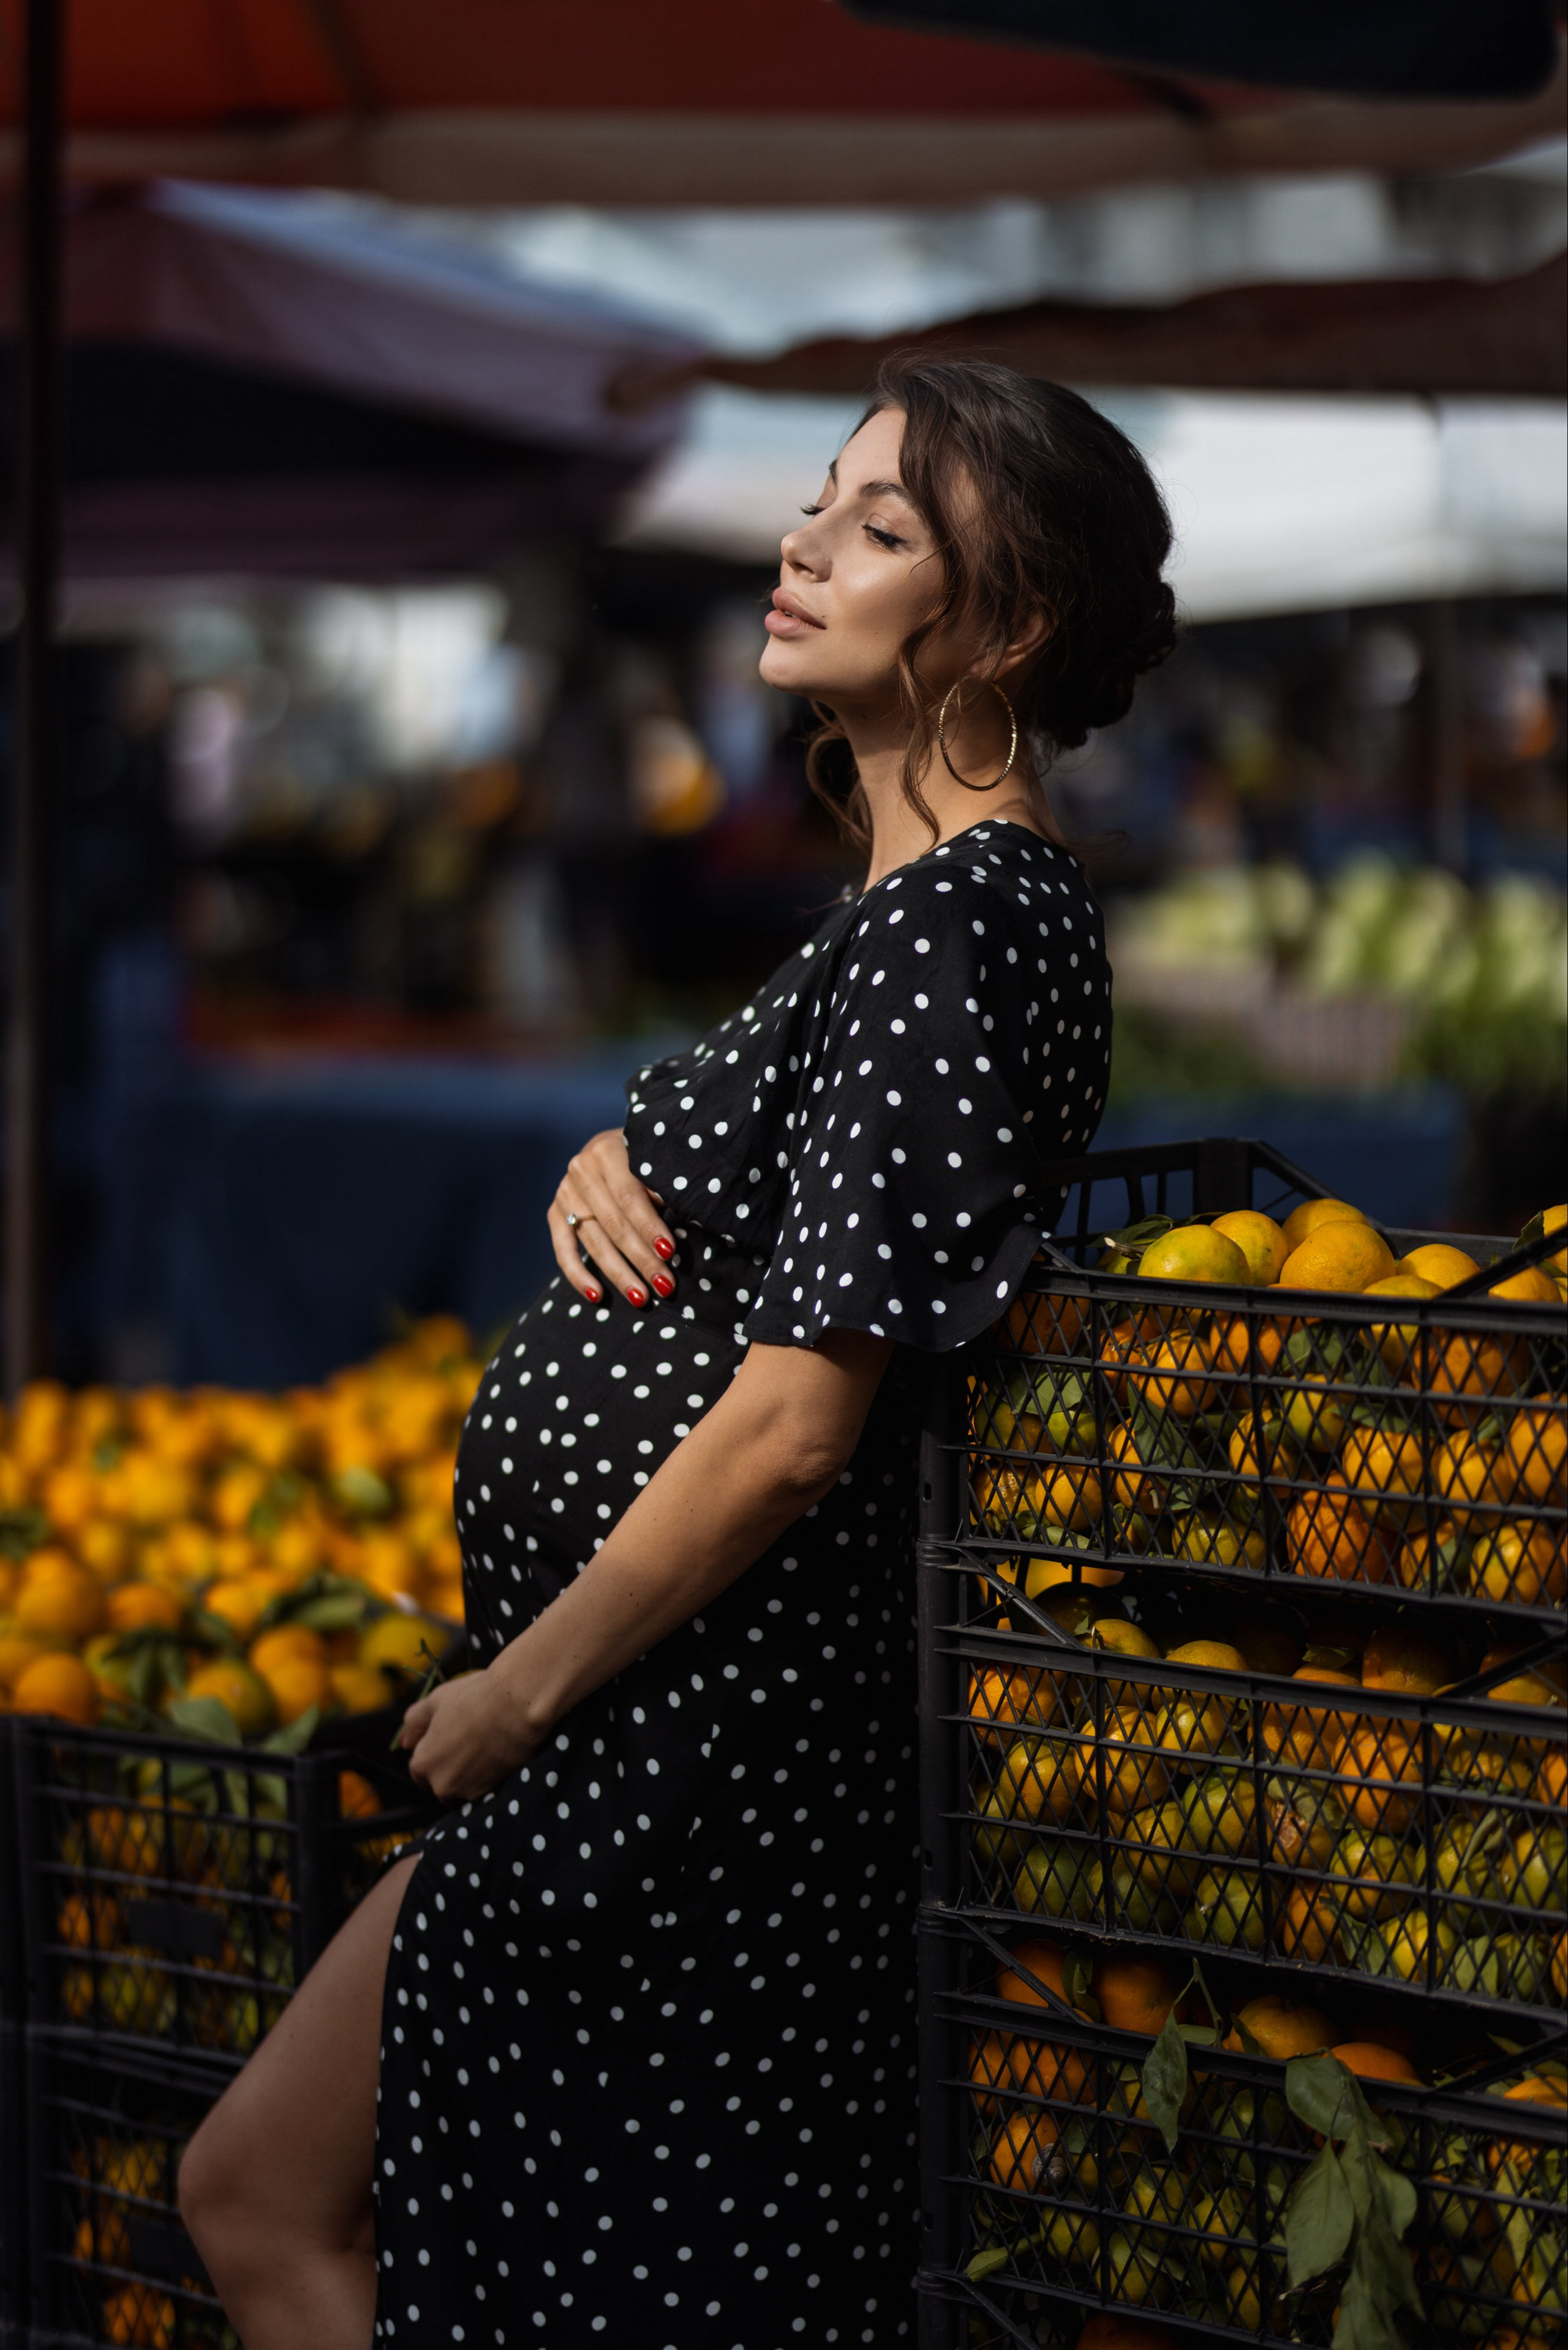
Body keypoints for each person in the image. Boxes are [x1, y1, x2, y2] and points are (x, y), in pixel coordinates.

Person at [178, 356, 1175, 2349]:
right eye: (825, 499)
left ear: (1010, 624)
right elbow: (806, 1217)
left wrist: (521, 1688)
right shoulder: (918, 916)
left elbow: (805, 1423)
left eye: (884, 528)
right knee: (283, 2198)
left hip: (680, 1768)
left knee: (388, 2234)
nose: (806, 543)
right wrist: (626, 1146)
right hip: (648, 1758)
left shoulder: (963, 923)